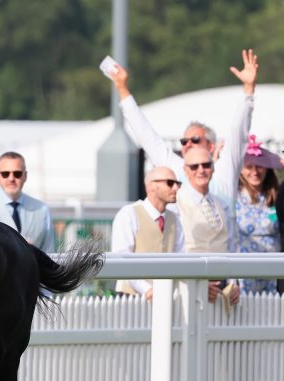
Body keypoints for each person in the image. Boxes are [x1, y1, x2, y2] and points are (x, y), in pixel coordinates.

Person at [110, 49, 258, 217]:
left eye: (195, 140)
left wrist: (249, 91)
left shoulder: (225, 169)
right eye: (184, 141)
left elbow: (239, 133)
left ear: (210, 146)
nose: (188, 144)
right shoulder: (176, 168)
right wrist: (122, 89)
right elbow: (146, 135)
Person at [171, 147, 240, 305]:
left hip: (223, 290)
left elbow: (231, 246)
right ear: (185, 170)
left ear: (213, 167)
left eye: (206, 165)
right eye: (194, 166)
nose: (201, 170)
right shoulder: (175, 204)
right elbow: (174, 251)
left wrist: (234, 283)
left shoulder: (222, 204)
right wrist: (196, 284)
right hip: (189, 290)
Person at [111, 166, 184, 300]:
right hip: (130, 298)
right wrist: (147, 289)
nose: (176, 188)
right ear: (151, 186)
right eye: (170, 183)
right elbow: (121, 259)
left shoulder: (175, 219)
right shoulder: (128, 214)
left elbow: (180, 259)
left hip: (164, 299)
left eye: (177, 183)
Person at [0, 152, 54, 253]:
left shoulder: (42, 210)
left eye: (17, 174)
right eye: (5, 174)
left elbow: (50, 254)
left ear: (25, 176)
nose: (11, 178)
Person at [234, 135, 282, 294]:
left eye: (260, 166)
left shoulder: (276, 195)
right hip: (244, 272)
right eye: (249, 166)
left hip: (274, 273)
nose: (255, 172)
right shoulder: (233, 196)